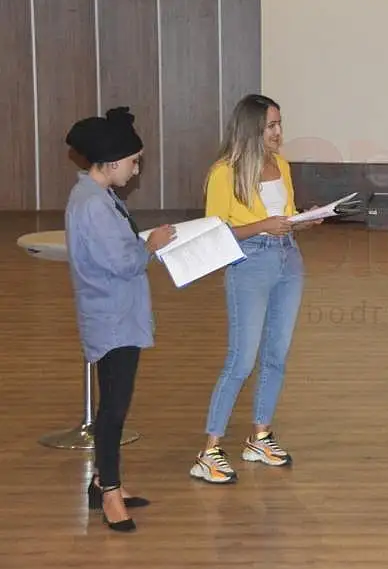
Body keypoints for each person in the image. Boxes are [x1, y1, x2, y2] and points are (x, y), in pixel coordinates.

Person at [189, 94, 321, 484]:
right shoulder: (224, 173)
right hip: (249, 262)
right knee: (241, 360)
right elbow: (214, 232)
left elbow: (286, 217)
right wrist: (264, 226)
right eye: (270, 126)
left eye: (279, 124)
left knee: (276, 354)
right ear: (251, 129)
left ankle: (260, 436)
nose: (278, 133)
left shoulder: (281, 165)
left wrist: (305, 220)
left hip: (288, 259)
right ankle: (209, 450)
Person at [64, 107, 175, 532]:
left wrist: (144, 243)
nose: (136, 169)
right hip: (112, 319)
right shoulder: (93, 204)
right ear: (111, 163)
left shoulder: (96, 196)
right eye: (134, 161)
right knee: (113, 408)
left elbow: (117, 249)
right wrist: (152, 245)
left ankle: (101, 481)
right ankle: (110, 492)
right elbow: (123, 262)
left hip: (115, 313)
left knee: (114, 401)